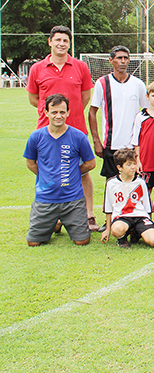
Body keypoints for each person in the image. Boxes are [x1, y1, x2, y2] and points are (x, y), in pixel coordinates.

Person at [27, 26, 99, 231]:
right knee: (49, 172)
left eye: (65, 41)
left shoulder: (80, 67)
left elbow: (85, 96)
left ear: (69, 43)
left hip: (75, 128)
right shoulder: (37, 68)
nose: (61, 44)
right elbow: (34, 98)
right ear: (50, 42)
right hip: (47, 130)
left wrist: (69, 115)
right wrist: (52, 116)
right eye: (57, 40)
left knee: (83, 172)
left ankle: (88, 215)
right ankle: (54, 216)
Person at [24, 94, 96, 246]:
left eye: (62, 112)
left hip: (73, 199)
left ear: (68, 112)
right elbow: (30, 163)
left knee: (82, 241)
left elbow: (90, 163)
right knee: (33, 243)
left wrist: (73, 173)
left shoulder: (78, 136)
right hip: (45, 199)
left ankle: (61, 220)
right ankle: (54, 223)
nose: (58, 116)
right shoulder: (36, 137)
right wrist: (45, 175)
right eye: (54, 112)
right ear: (46, 113)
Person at [89, 45, 149, 181]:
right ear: (111, 60)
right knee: (112, 185)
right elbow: (92, 112)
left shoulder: (138, 84)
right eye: (119, 58)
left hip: (132, 145)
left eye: (126, 58)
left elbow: (146, 113)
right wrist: (96, 140)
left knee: (133, 184)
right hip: (111, 144)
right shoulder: (102, 83)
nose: (123, 61)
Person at [100, 148, 154, 248]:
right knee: (117, 229)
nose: (133, 167)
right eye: (129, 164)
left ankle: (136, 232)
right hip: (122, 218)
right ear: (119, 167)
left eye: (134, 163)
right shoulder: (111, 183)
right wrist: (107, 230)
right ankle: (122, 238)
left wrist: (149, 223)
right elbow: (108, 208)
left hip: (140, 216)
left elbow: (147, 206)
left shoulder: (140, 182)